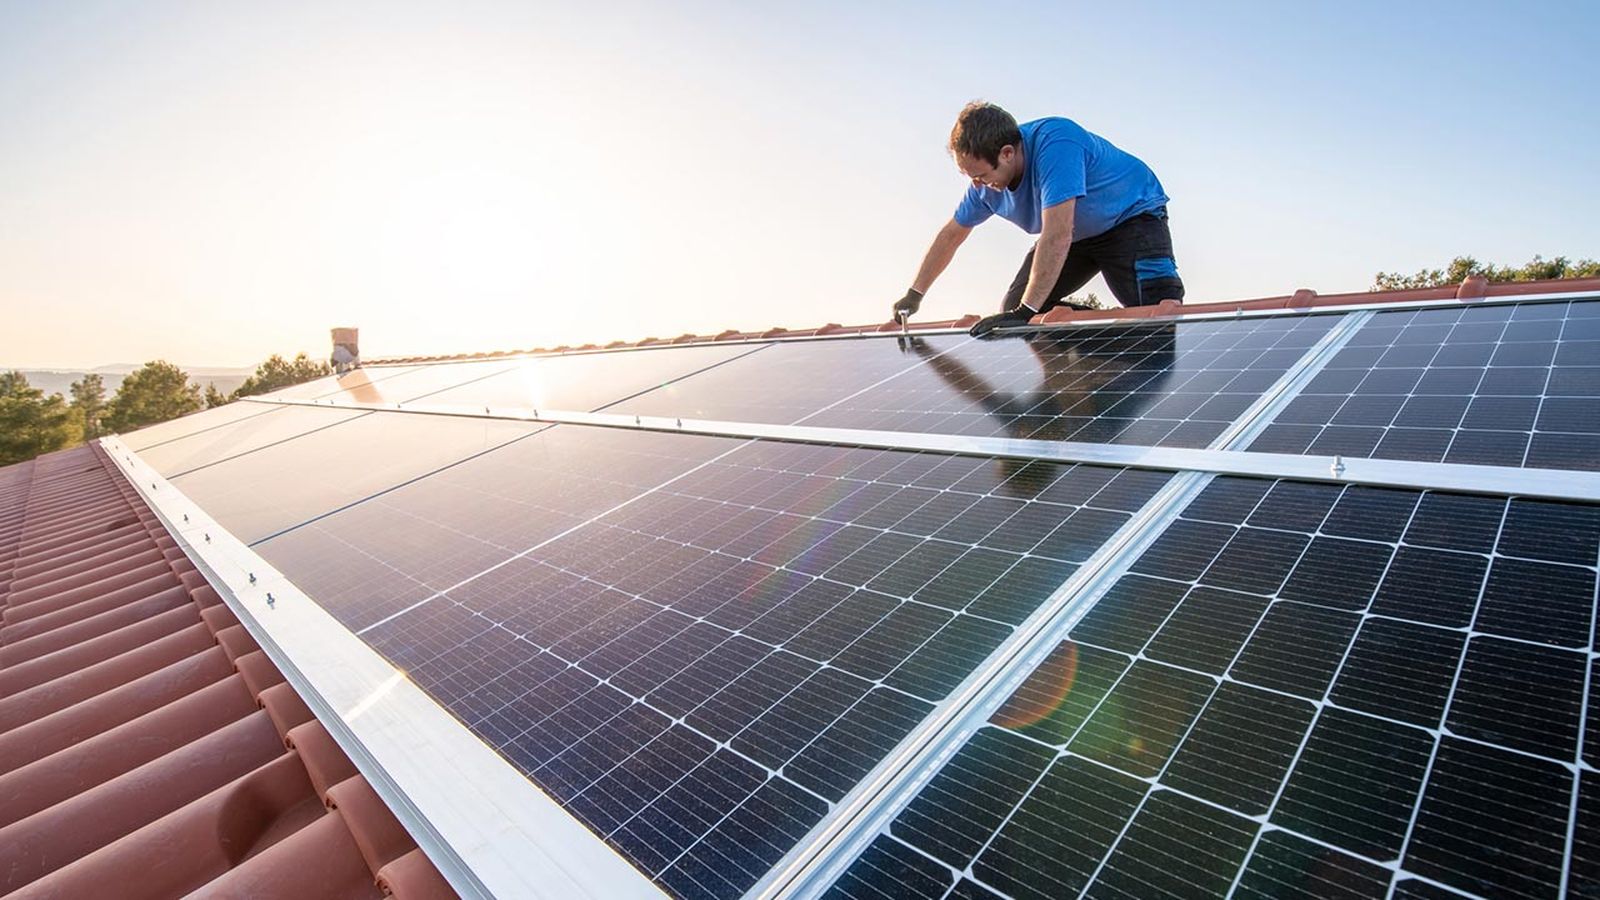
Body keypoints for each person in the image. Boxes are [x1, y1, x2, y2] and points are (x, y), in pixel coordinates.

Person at [891, 102, 1185, 337]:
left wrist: (1025, 311)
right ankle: (1101, 362)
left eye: (981, 175)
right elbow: (951, 235)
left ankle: (1139, 337)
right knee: (1016, 310)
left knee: (1157, 314)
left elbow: (1057, 234)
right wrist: (914, 295)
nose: (977, 185)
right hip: (1076, 238)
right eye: (970, 177)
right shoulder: (983, 189)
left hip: (1129, 218)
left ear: (1007, 153)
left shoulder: (1056, 144)